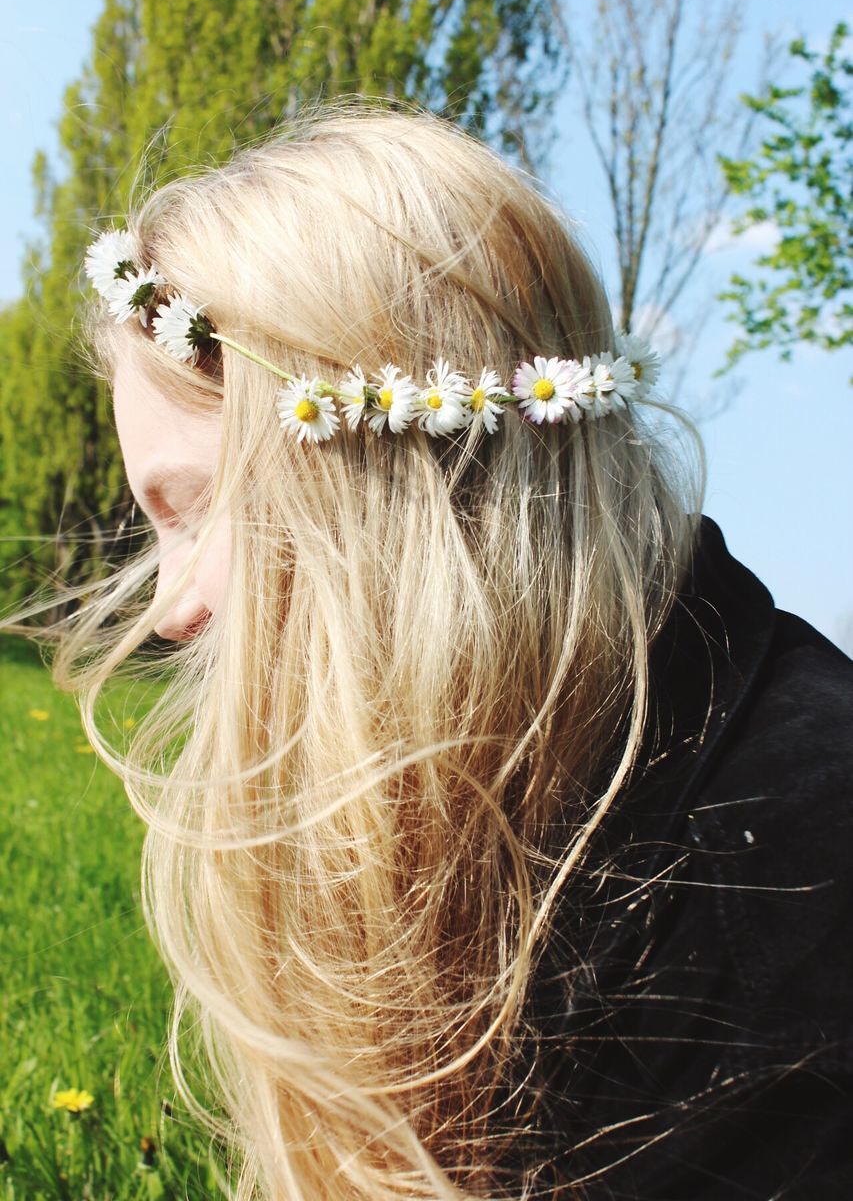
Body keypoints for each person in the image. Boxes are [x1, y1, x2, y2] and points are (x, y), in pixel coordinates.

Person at [18, 103, 853, 1199]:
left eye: (194, 507)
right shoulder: (576, 776)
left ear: (385, 494)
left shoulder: (787, 907)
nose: (168, 605)